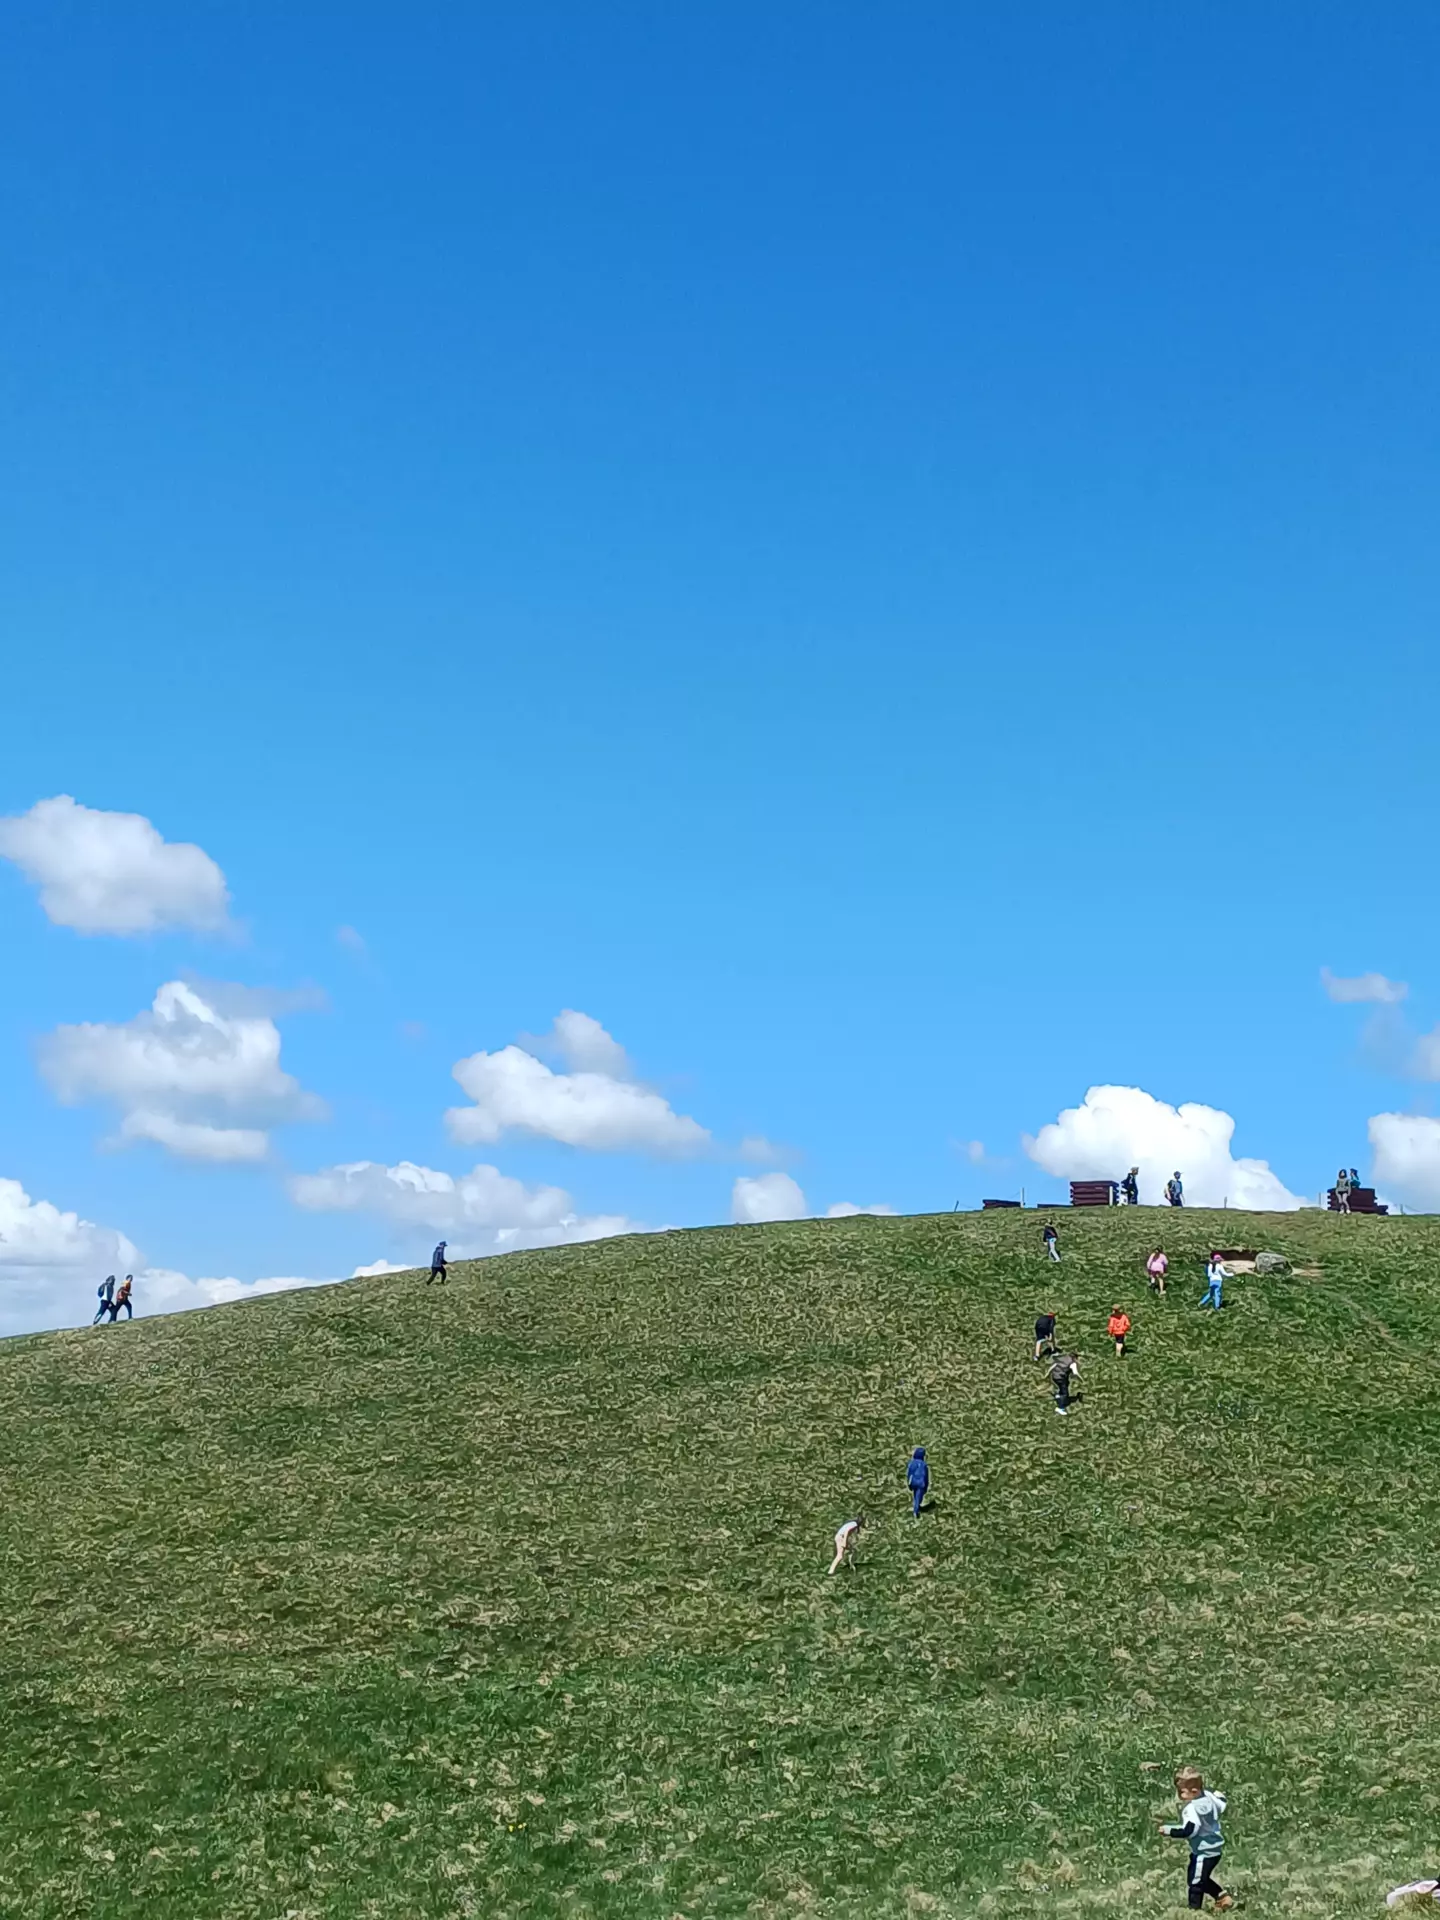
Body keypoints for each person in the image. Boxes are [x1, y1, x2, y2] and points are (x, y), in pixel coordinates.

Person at [1159, 1765, 1233, 1911]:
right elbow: (1222, 1801)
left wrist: (1169, 1830)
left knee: (1196, 1882)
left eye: (1181, 1792)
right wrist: (1214, 1792)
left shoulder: (1191, 1809)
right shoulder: (1210, 1797)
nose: (1179, 1795)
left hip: (1203, 1851)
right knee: (1198, 1877)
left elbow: (1190, 1831)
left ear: (1193, 1791)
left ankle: (1194, 1912)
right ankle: (1222, 1897)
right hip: (1215, 1849)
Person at [1049, 1350, 1079, 1415]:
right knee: (1065, 1393)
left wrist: (1047, 1373)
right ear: (1074, 1358)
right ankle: (1060, 1408)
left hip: (1055, 1376)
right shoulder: (1072, 1363)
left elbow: (1054, 1364)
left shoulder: (1063, 1358)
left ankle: (1058, 1395)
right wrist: (1081, 1379)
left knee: (1064, 1385)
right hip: (1061, 1378)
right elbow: (1075, 1373)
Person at [906, 1447, 929, 1519]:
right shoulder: (924, 1464)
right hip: (921, 1483)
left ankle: (917, 1507)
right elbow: (926, 1476)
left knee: (915, 1495)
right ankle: (916, 1510)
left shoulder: (912, 1463)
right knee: (918, 1497)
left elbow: (909, 1474)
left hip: (913, 1482)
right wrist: (926, 1485)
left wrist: (909, 1482)